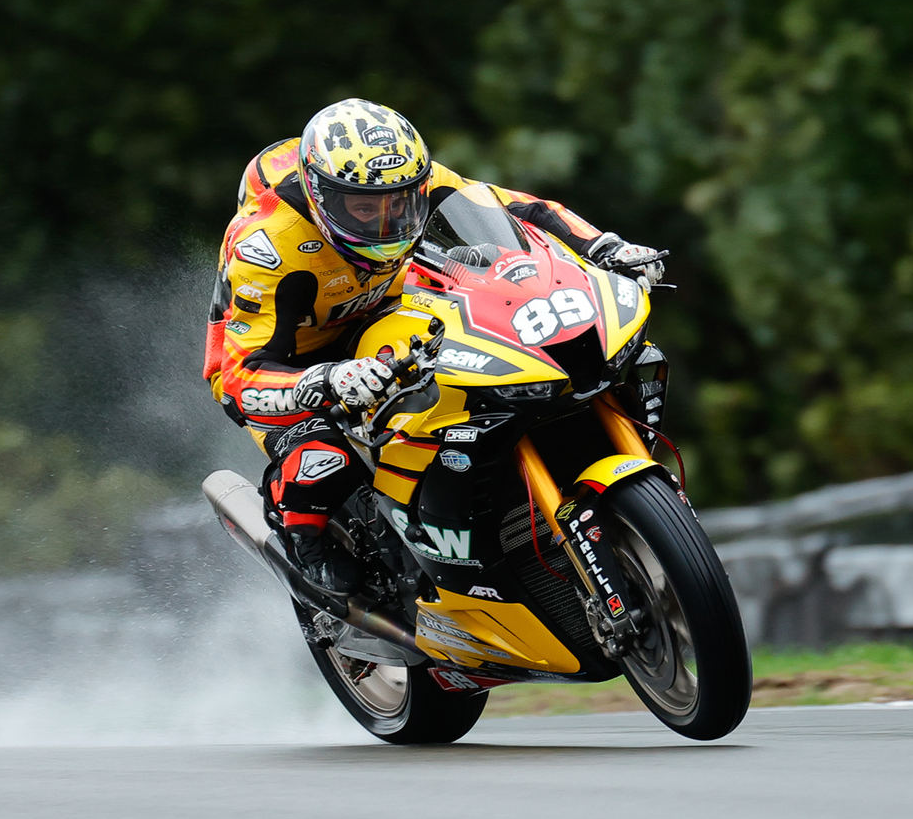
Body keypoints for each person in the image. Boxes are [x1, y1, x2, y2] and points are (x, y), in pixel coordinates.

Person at [203, 98, 663, 593]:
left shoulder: (407, 175)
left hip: (383, 316)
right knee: (324, 458)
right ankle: (306, 545)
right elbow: (240, 378)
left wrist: (605, 247)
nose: (387, 224)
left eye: (399, 204)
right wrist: (328, 379)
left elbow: (519, 208)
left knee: (466, 376)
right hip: (284, 364)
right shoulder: (268, 248)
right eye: (364, 209)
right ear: (321, 197)